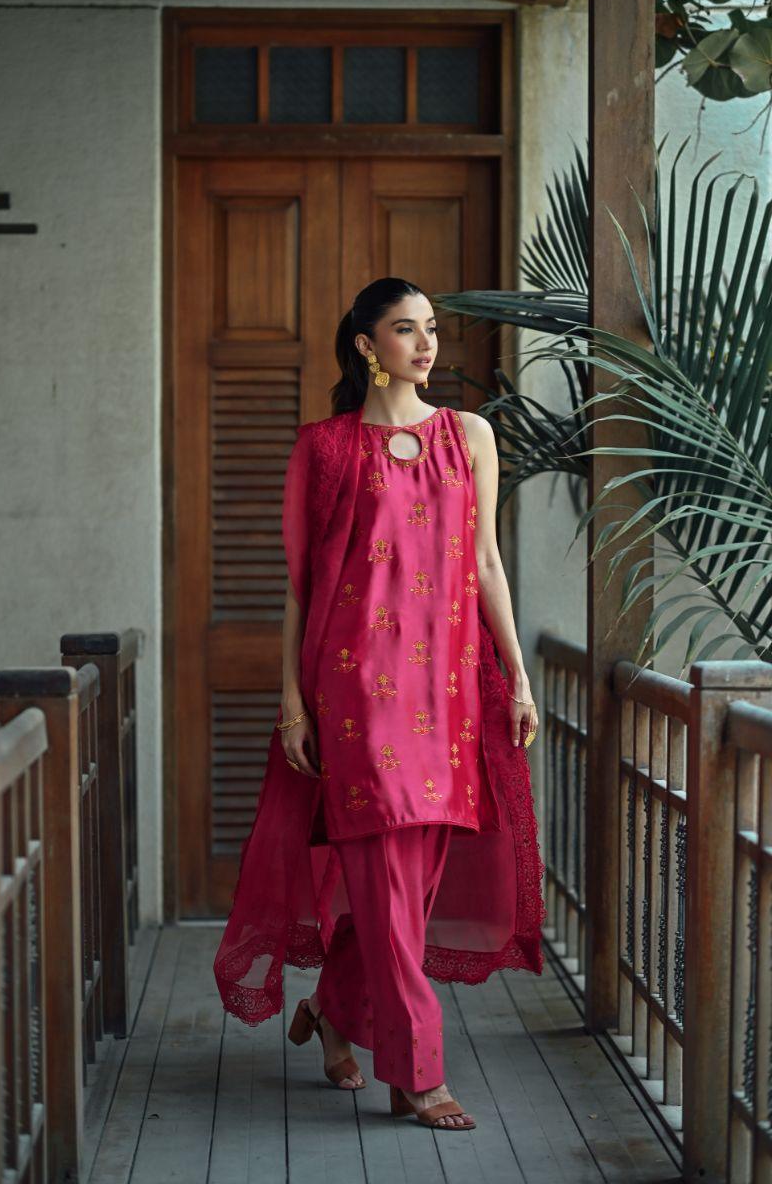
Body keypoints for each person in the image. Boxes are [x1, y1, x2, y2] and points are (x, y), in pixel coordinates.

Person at [213, 277, 545, 1133]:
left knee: (410, 885)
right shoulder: (324, 449)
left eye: (431, 328)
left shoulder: (469, 436)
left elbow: (486, 563)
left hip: (449, 688)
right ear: (368, 345)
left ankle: (331, 1009)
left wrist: (517, 675)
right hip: (356, 689)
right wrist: (293, 703)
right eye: (406, 329)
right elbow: (301, 587)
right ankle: (418, 1074)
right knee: (386, 878)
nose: (427, 343)